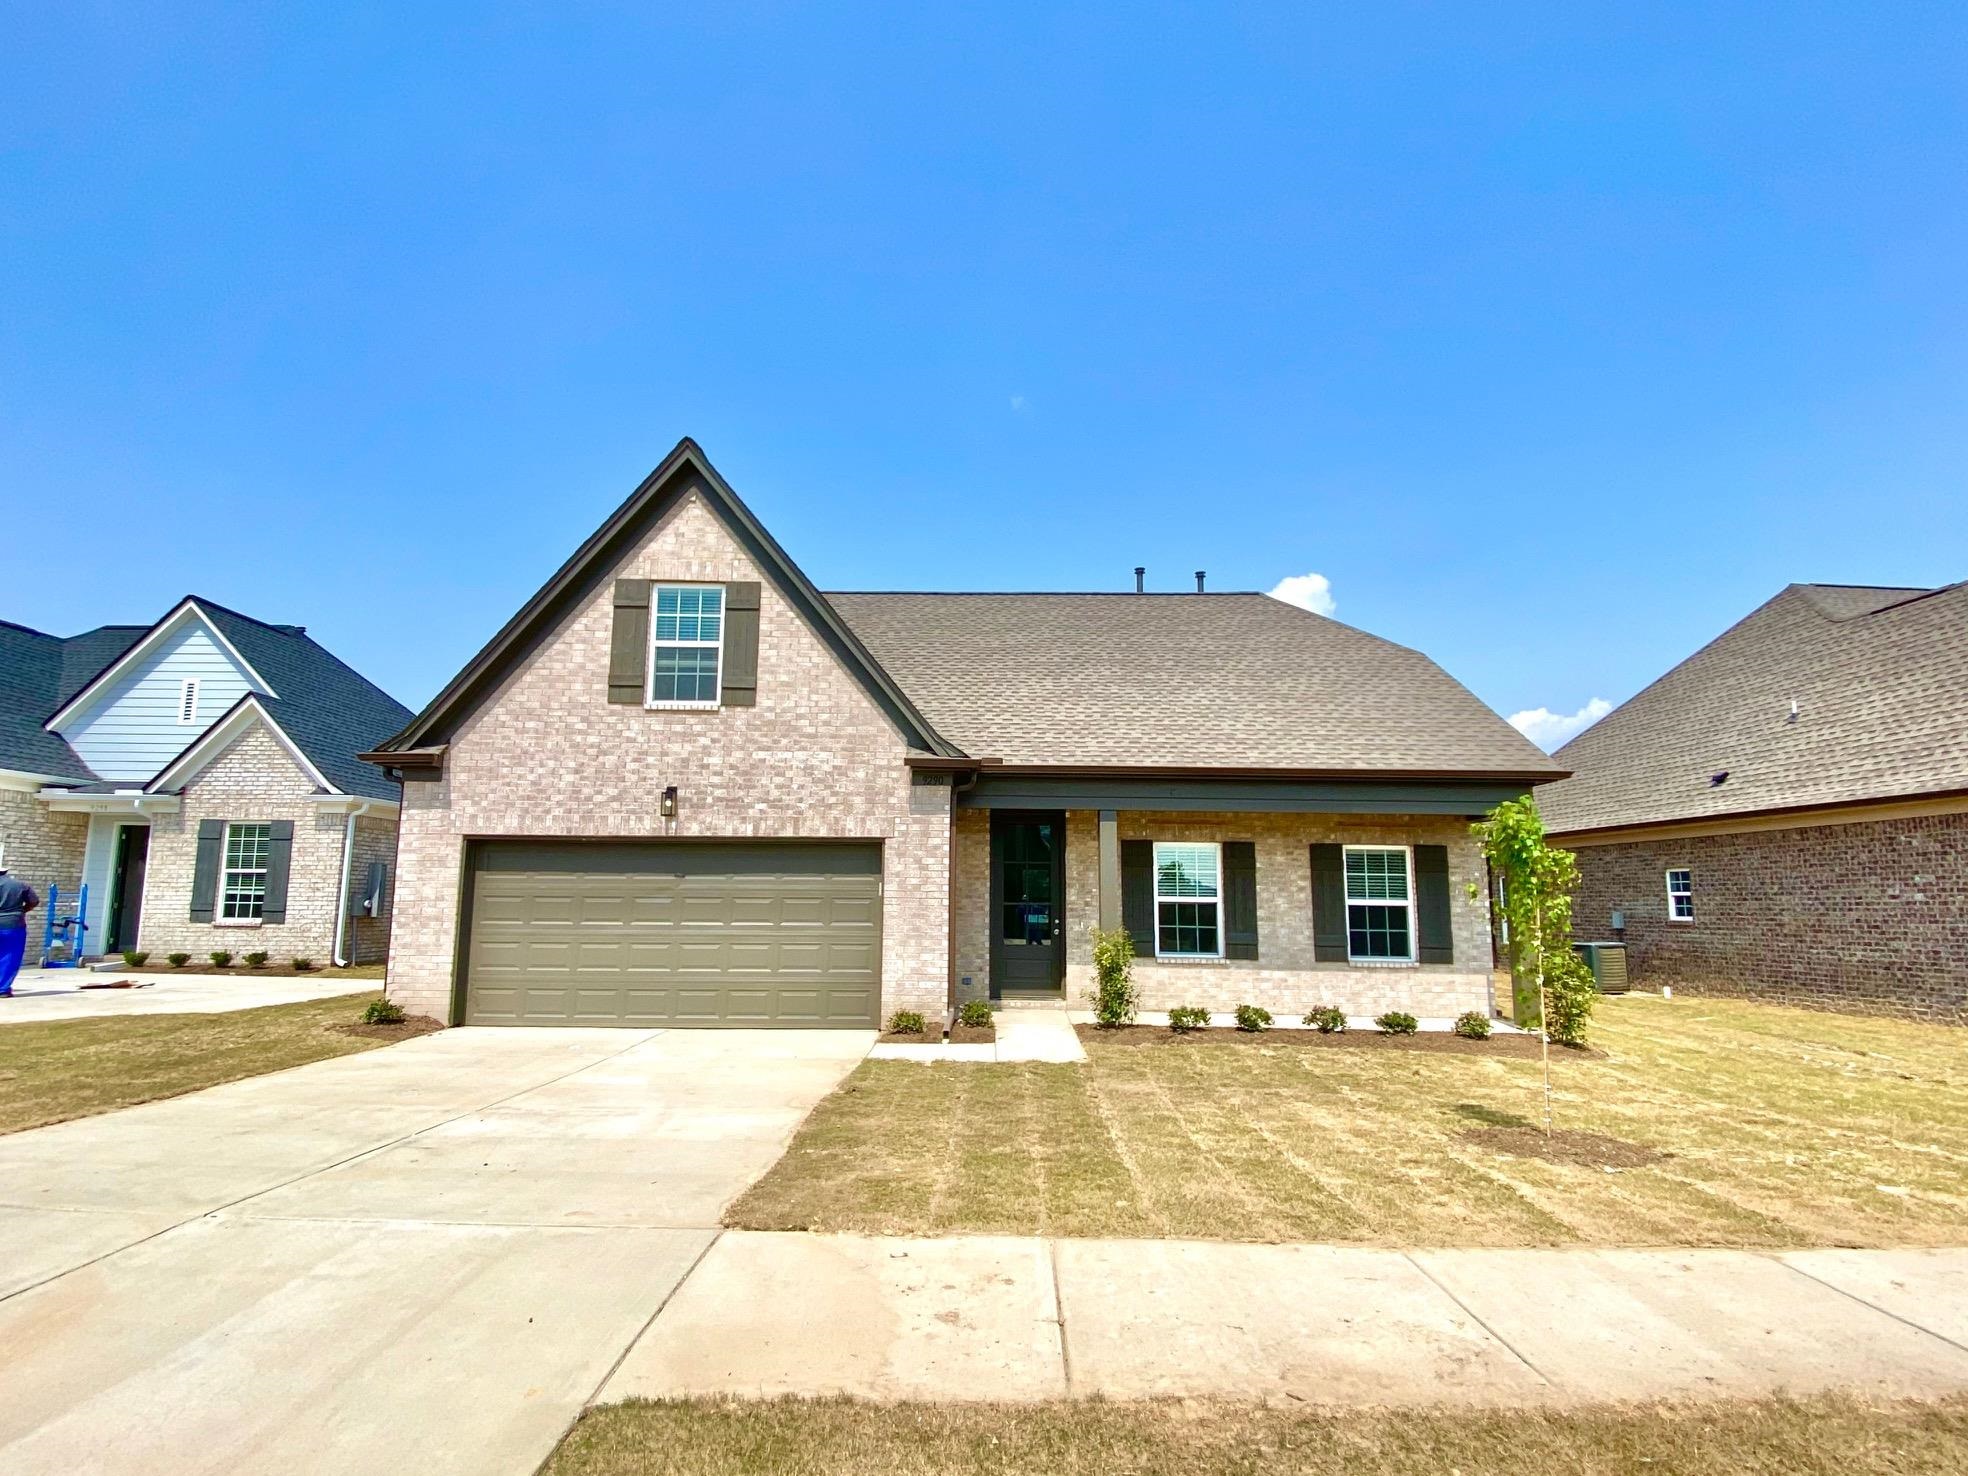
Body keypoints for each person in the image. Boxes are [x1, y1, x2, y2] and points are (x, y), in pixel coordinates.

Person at [0, 865, 40, 997]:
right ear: (5, 871)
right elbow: (34, 901)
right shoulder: (19, 885)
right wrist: (22, 910)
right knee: (10, 956)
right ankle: (2, 989)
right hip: (13, 924)